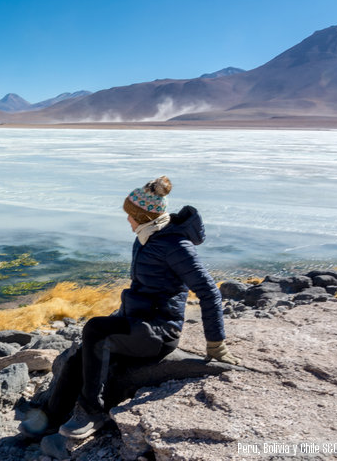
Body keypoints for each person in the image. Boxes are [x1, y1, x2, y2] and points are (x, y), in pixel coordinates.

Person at [20, 175, 239, 441]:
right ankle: (51, 417)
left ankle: (93, 411)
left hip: (159, 332)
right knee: (80, 356)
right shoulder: (146, 237)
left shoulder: (176, 246)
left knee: (95, 330)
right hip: (137, 323)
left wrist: (216, 343)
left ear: (143, 216)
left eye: (130, 214)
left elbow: (208, 291)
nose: (127, 219)